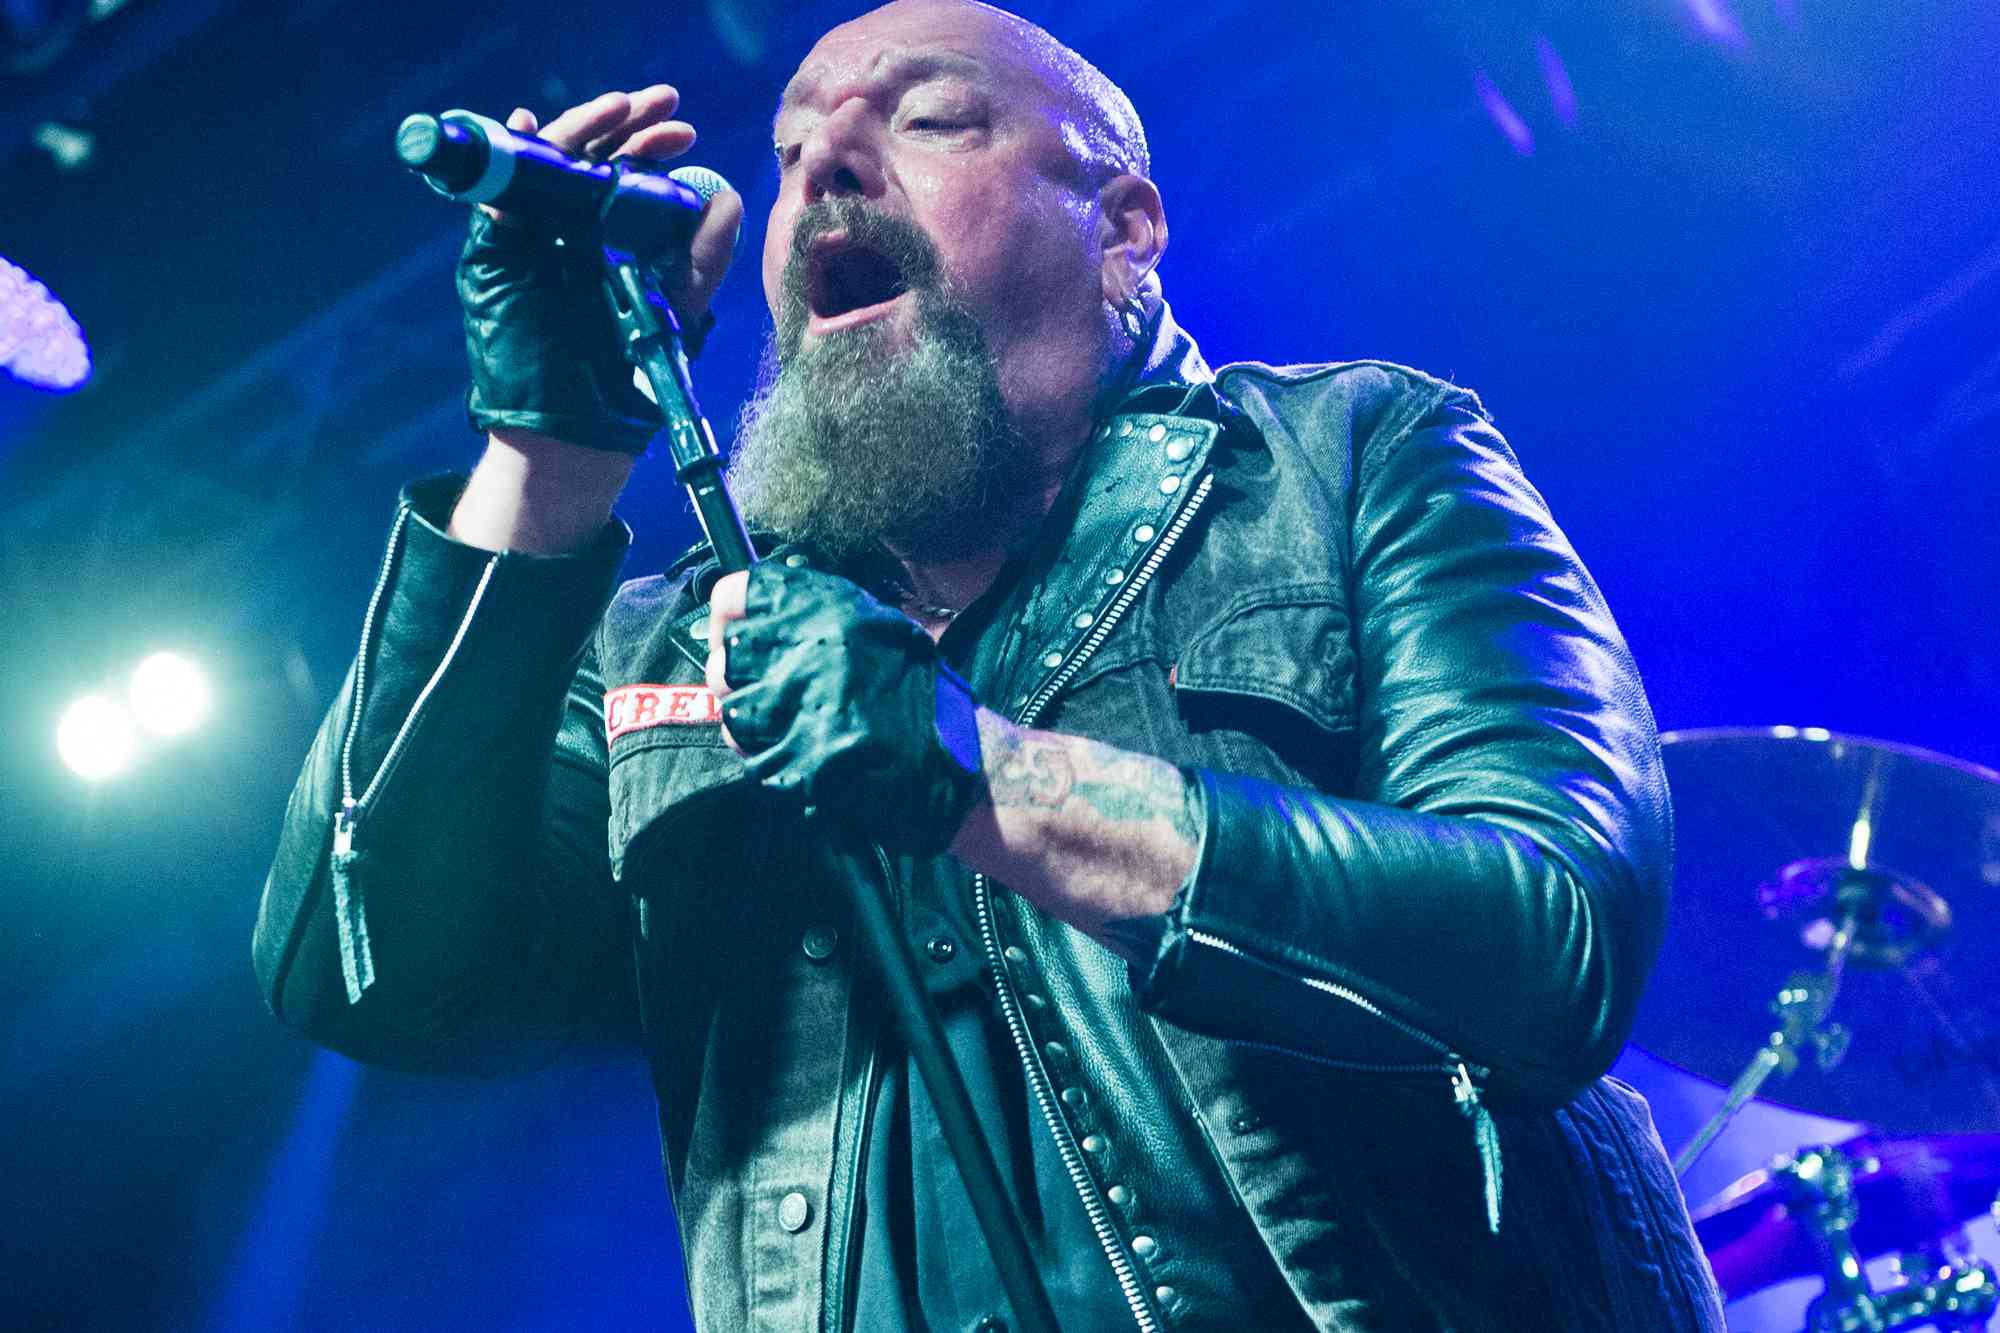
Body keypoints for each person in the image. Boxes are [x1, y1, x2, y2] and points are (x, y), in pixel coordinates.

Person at [255, 1, 1726, 1327]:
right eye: (790, 151)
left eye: (929, 117)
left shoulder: (1352, 460)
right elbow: (365, 967)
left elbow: (1556, 945)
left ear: (1124, 231)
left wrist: (977, 770)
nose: (822, 167)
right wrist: (550, 452)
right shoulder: (677, 651)